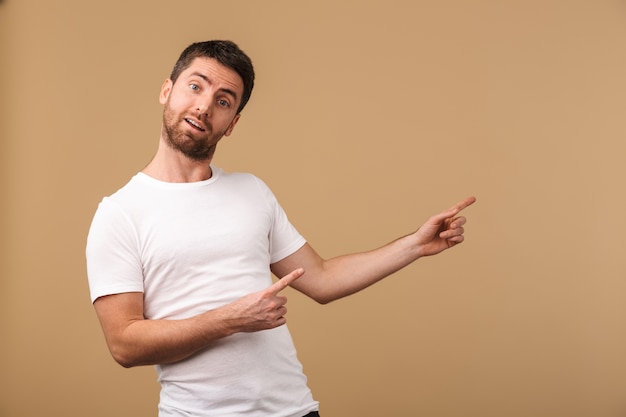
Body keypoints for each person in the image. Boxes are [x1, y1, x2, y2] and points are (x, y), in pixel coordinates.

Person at [86, 40, 476, 417]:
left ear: (232, 123)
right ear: (167, 90)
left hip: (294, 410)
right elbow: (124, 344)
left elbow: (321, 279)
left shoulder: (251, 191)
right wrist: (232, 319)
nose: (204, 106)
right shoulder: (120, 212)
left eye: (223, 101)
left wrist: (413, 246)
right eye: (195, 86)